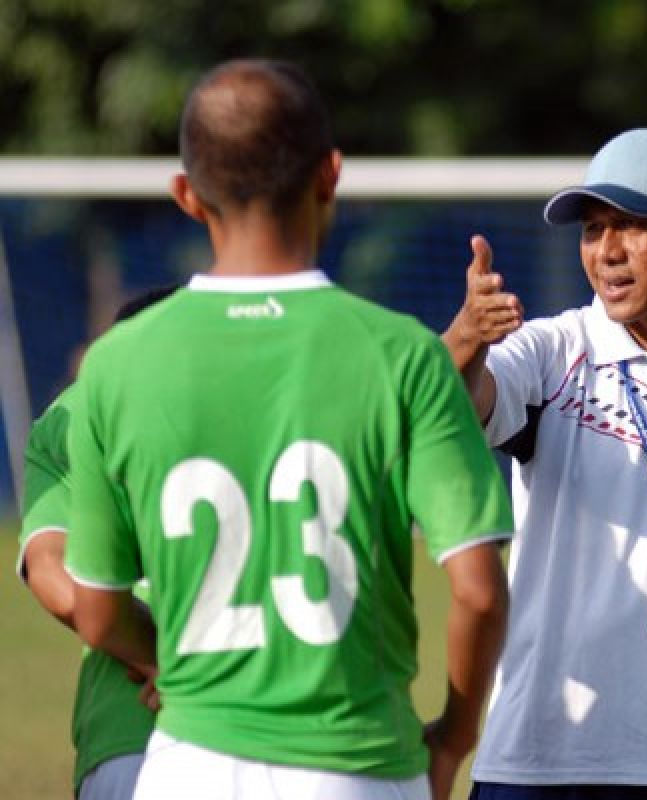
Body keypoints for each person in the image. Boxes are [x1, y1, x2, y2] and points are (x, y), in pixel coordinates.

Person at [63, 59, 512, 800]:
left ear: (185, 193)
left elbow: (98, 608)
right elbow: (479, 591)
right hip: (359, 766)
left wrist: (179, 673)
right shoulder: (401, 354)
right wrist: (453, 738)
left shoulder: (114, 365)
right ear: (330, 175)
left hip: (187, 768)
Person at [442, 128, 647, 799]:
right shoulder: (554, 350)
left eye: (634, 226)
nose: (606, 252)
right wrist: (466, 337)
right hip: (539, 761)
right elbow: (446, 405)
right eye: (592, 228)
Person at [16, 288, 175, 800]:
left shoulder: (76, 412)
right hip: (288, 731)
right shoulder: (266, 394)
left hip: (129, 732)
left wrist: (159, 658)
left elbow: (53, 573)